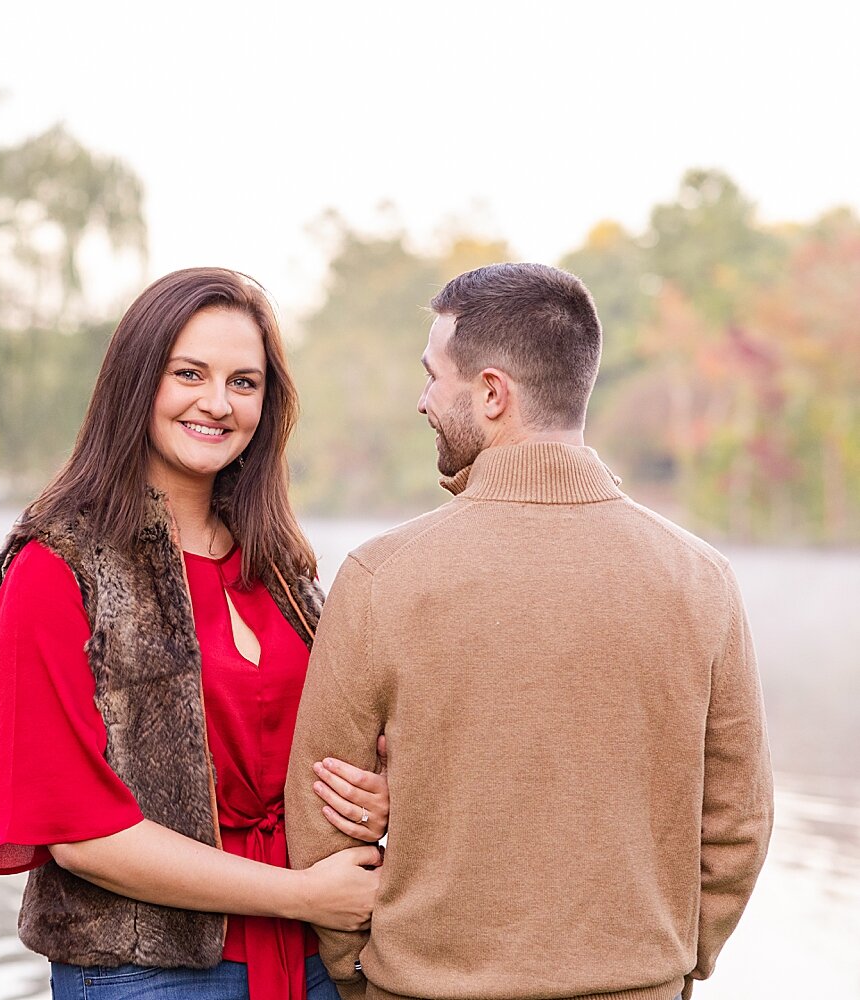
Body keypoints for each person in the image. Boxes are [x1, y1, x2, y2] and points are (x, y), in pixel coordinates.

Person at [284, 262, 774, 1000]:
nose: (422, 401)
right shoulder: (700, 578)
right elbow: (738, 824)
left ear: (489, 393)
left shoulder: (382, 576)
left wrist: (358, 972)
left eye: (433, 376)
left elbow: (322, 815)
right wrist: (672, 964)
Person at [0, 267, 393, 1000]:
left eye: (244, 382)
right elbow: (79, 834)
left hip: (311, 959)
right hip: (148, 973)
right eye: (189, 373)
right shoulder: (55, 569)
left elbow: (339, 739)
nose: (217, 403)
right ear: (138, 383)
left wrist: (375, 790)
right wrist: (299, 894)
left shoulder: (283, 568)